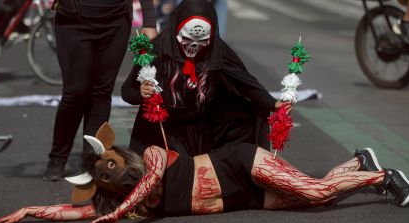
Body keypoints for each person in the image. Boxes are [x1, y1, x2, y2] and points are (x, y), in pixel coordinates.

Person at [0, 122, 409, 223]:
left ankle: (384, 178)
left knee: (315, 192)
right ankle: (360, 163)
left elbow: (147, 184)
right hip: (238, 198)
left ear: (119, 154)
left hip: (238, 163)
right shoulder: (119, 200)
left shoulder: (153, 154)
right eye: (103, 178)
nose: (111, 178)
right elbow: (74, 212)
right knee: (320, 198)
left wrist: (117, 214)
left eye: (111, 166)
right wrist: (30, 209)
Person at [121, 0, 290, 157]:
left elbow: (245, 84)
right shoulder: (158, 50)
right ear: (176, 33)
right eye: (186, 40)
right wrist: (141, 93)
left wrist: (273, 104)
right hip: (160, 131)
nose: (193, 47)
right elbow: (127, 92)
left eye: (201, 41)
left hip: (199, 133)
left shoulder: (217, 51)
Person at [43, 0, 158, 182]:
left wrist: (150, 21)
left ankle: (92, 160)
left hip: (116, 22)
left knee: (101, 92)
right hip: (74, 21)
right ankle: (58, 157)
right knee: (75, 92)